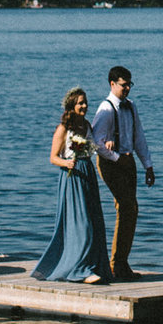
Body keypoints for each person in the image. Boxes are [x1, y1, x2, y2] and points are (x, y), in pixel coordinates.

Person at [32, 87, 111, 284]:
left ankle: (95, 265)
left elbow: (94, 147)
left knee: (94, 222)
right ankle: (80, 269)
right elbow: (52, 158)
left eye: (85, 102)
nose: (84, 106)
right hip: (72, 177)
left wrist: (107, 144)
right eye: (80, 103)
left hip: (87, 174)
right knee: (81, 224)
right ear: (71, 106)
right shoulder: (62, 129)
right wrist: (66, 163)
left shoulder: (86, 125)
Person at [92, 66, 157, 279]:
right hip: (111, 163)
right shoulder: (107, 108)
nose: (127, 88)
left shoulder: (131, 107)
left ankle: (121, 262)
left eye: (130, 84)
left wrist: (147, 164)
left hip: (128, 161)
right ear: (112, 84)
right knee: (128, 206)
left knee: (130, 210)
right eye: (123, 84)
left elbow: (139, 137)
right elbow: (96, 143)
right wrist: (117, 158)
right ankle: (117, 264)